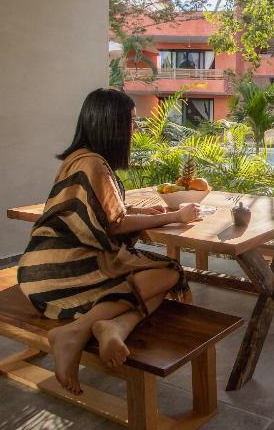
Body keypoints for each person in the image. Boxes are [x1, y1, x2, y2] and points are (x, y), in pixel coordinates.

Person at [16, 88, 200, 395]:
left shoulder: (79, 159)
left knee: (159, 277)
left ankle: (115, 326)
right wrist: (175, 217)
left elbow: (101, 213)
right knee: (169, 273)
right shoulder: (93, 164)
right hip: (66, 271)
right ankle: (77, 331)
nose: (134, 129)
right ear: (111, 124)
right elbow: (115, 224)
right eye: (131, 122)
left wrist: (140, 212)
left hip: (40, 270)